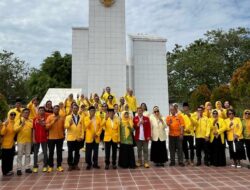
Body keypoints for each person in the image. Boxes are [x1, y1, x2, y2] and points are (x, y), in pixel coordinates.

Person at [65, 104, 85, 171]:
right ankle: (70, 165)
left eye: (76, 108)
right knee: (70, 152)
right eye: (74, 108)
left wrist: (82, 136)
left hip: (78, 138)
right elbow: (65, 126)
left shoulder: (81, 117)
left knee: (77, 152)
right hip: (70, 138)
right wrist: (69, 124)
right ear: (72, 109)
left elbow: (82, 128)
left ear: (78, 109)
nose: (75, 109)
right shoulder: (68, 117)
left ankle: (76, 164)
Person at [46, 105, 65, 172]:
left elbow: (63, 127)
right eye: (55, 109)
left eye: (57, 109)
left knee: (59, 152)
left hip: (60, 137)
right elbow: (47, 127)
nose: (56, 110)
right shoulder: (49, 117)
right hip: (51, 138)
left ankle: (59, 165)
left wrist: (63, 135)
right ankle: (50, 166)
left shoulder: (62, 118)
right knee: (51, 152)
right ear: (53, 110)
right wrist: (53, 121)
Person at [14, 108, 33, 176]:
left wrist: (33, 140)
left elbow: (32, 130)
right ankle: (19, 169)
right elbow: (15, 129)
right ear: (22, 113)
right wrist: (21, 125)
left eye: (27, 112)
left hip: (29, 140)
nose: (26, 114)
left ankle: (27, 167)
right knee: (20, 155)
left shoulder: (31, 120)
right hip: (20, 140)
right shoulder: (19, 120)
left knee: (28, 155)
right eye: (25, 112)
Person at [32, 107, 49, 173]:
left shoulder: (46, 119)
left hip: (44, 138)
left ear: (44, 112)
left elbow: (47, 128)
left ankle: (45, 166)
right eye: (40, 110)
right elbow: (33, 129)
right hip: (36, 138)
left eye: (42, 110)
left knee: (45, 153)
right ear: (38, 111)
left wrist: (43, 124)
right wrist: (33, 138)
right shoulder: (35, 119)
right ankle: (35, 166)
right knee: (35, 153)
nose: (41, 111)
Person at [1, 112, 16, 176]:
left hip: (12, 144)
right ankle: (5, 172)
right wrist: (5, 125)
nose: (13, 116)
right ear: (9, 115)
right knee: (5, 159)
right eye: (11, 114)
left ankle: (10, 170)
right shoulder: (5, 123)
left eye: (14, 115)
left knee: (10, 158)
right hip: (5, 144)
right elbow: (2, 133)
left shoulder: (15, 123)